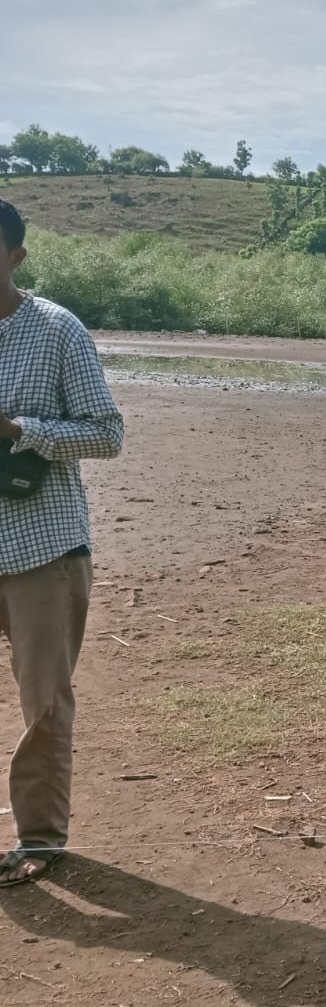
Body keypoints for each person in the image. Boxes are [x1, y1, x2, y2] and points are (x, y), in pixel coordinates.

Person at [0, 198, 125, 887]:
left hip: (41, 549)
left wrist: (20, 429)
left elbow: (107, 434)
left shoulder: (56, 332)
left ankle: (40, 840)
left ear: (16, 257)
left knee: (43, 704)